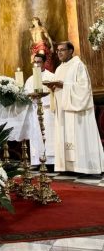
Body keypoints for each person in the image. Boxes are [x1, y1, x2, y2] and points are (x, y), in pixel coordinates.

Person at [47, 41, 104, 174]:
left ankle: (84, 166)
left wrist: (64, 85)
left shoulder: (78, 65)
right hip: (63, 111)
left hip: (76, 111)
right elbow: (59, 87)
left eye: (62, 50)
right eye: (57, 50)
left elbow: (84, 88)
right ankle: (67, 167)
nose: (59, 52)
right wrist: (53, 88)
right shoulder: (59, 68)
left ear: (71, 51)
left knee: (79, 136)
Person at [23, 53, 56, 166]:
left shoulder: (51, 77)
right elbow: (25, 94)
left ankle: (51, 162)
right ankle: (37, 161)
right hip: (35, 111)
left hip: (48, 111)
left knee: (49, 136)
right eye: (35, 62)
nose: (36, 64)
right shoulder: (30, 79)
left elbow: (55, 94)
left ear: (44, 63)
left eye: (39, 62)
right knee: (36, 137)